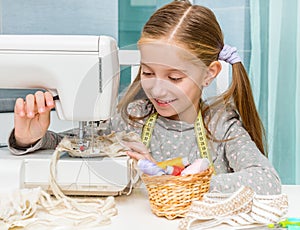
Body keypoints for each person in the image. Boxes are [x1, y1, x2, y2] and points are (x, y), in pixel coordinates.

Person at [8, 0, 281, 195]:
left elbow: (267, 180)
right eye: (148, 72)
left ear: (209, 74)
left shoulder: (221, 127)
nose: (159, 90)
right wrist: (31, 138)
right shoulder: (133, 117)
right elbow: (80, 143)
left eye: (175, 78)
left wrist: (174, 179)